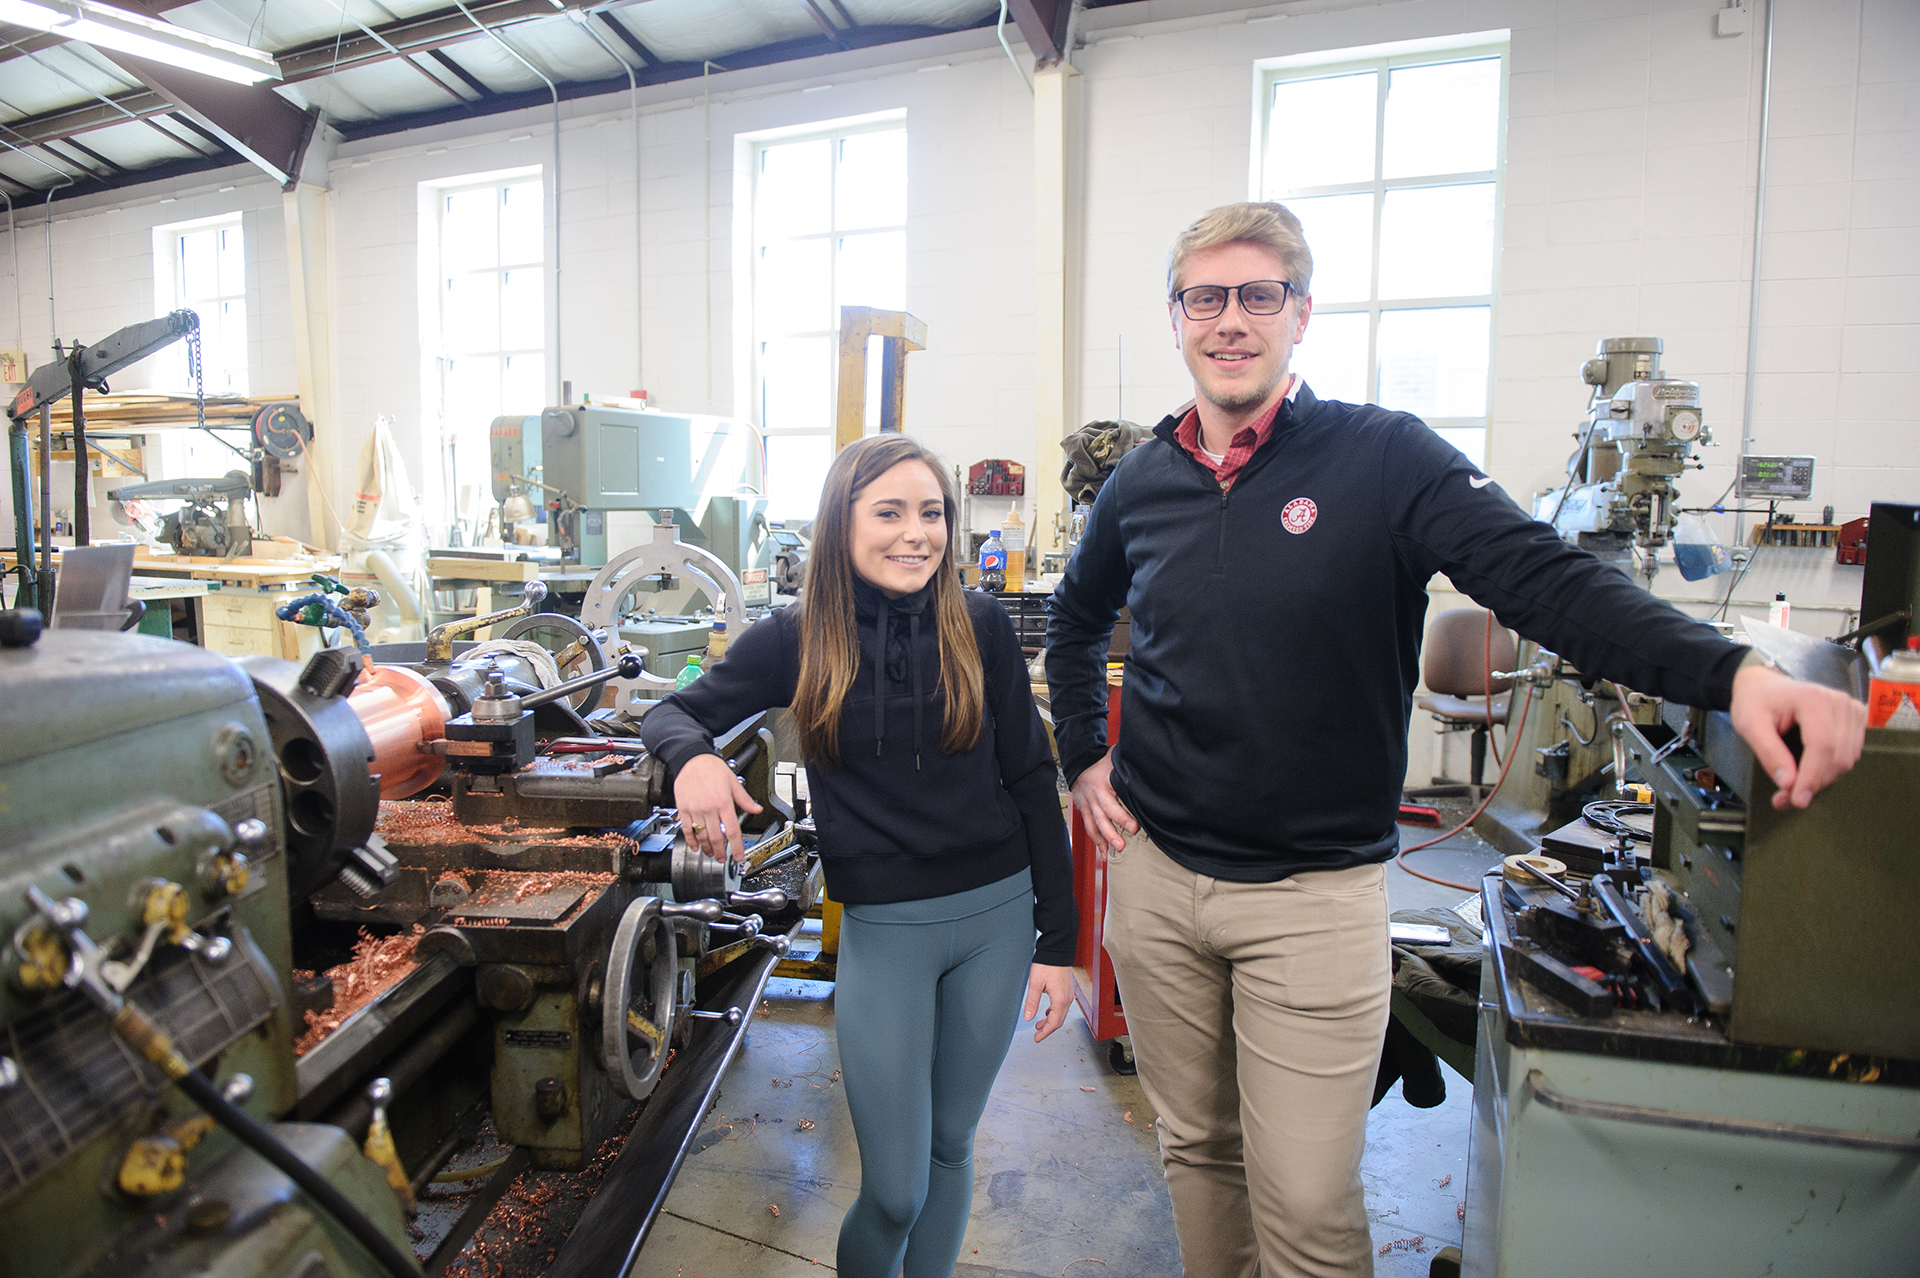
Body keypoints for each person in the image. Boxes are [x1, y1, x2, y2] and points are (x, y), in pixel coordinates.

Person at [1044, 201, 1867, 1278]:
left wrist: (1730, 672)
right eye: (1208, 297)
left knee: (1304, 1206)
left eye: (1259, 295)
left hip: (1311, 901)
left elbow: (1543, 576)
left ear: (1301, 314)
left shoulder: (1381, 458)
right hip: (1155, 882)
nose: (1231, 320)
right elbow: (1073, 617)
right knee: (1197, 1150)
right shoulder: (1142, 481)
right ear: (1176, 318)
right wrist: (1082, 760)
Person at [641, 433, 1078, 1278]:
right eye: (889, 513)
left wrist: (1058, 945)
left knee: (951, 1146)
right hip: (888, 934)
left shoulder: (978, 624)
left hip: (999, 917)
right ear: (842, 525)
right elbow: (673, 715)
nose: (916, 533)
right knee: (895, 1191)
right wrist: (693, 760)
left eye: (932, 513)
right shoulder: (797, 637)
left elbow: (1032, 777)